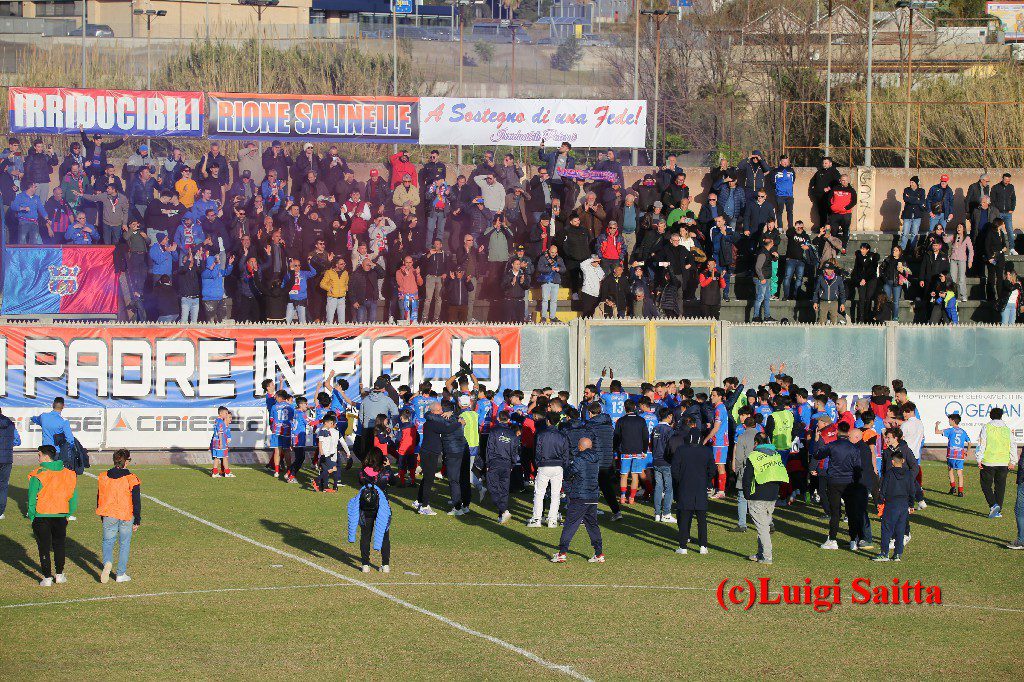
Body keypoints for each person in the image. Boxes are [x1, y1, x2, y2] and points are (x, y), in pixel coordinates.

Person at [28, 444, 78, 586]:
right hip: (60, 514)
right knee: (59, 545)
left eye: (39, 455)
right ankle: (60, 575)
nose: (38, 458)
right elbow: (73, 497)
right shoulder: (68, 473)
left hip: (41, 515)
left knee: (43, 546)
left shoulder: (37, 474)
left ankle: (47, 578)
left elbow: (31, 497)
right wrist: (68, 513)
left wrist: (32, 515)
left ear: (46, 456)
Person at [551, 437, 604, 564]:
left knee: (570, 524)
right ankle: (599, 553)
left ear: (580, 447)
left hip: (580, 497)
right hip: (593, 496)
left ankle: (562, 553)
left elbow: (568, 473)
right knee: (592, 525)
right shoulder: (596, 459)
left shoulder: (579, 459)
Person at [818, 421, 868, 551]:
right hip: (849, 482)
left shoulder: (832, 445)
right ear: (848, 432)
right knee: (851, 512)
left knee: (835, 513)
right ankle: (853, 540)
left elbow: (818, 454)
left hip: (834, 481)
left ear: (838, 431)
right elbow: (858, 468)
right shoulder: (854, 448)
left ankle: (833, 539)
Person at [96, 449, 142, 584]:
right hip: (126, 514)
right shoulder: (131, 478)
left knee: (108, 541)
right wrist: (137, 519)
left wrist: (101, 514)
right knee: (124, 543)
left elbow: (99, 496)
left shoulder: (103, 476)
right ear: (126, 461)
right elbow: (136, 501)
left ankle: (107, 563)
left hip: (109, 513)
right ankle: (121, 574)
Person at [743, 433, 788, 564]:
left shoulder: (754, 456)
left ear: (756, 443)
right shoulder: (775, 455)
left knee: (762, 528)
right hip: (773, 495)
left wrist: (746, 494)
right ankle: (760, 553)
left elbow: (747, 477)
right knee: (763, 525)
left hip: (758, 495)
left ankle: (767, 556)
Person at [671, 423, 715, 555]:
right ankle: (703, 546)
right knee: (702, 519)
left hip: (685, 486)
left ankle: (683, 546)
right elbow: (712, 470)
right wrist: (707, 481)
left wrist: (680, 481)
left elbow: (675, 469)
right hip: (700, 487)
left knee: (684, 518)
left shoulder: (681, 450)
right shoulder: (706, 451)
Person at [347, 449, 393, 573]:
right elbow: (393, 480)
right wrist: (388, 467)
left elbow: (361, 480)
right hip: (382, 509)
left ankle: (365, 565)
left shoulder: (362, 472)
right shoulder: (385, 473)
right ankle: (385, 564)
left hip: (366, 508)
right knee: (384, 535)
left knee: (365, 536)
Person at [976, 407, 1020, 519]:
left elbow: (982, 444)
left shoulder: (987, 427)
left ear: (990, 416)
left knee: (985, 485)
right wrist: (1013, 461)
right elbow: (1013, 445)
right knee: (1000, 487)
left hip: (989, 461)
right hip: (1003, 462)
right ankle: (998, 511)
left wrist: (979, 458)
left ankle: (993, 505)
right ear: (1001, 416)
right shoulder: (1006, 429)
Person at [872, 450, 915, 562]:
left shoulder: (889, 474)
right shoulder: (908, 474)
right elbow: (912, 490)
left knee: (886, 529)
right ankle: (897, 554)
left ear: (892, 462)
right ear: (903, 461)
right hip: (904, 504)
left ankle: (884, 553)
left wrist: (880, 501)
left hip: (891, 504)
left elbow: (883, 489)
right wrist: (911, 504)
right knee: (900, 530)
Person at [529, 413, 570, 528]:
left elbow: (537, 451)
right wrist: (564, 466)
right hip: (557, 466)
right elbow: (566, 453)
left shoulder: (541, 434)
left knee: (539, 493)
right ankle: (552, 520)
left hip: (544, 465)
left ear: (547, 421)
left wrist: (538, 464)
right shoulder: (562, 435)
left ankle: (537, 519)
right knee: (555, 494)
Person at [485, 411, 520, 524]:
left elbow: (489, 448)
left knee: (492, 488)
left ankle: (503, 511)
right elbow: (515, 451)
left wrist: (488, 463)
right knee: (503, 490)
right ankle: (501, 514)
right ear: (508, 420)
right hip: (506, 464)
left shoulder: (494, 431)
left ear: (499, 419)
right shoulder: (512, 434)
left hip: (495, 462)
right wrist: (512, 464)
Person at [703, 388, 730, 498]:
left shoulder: (719, 409)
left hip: (719, 442)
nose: (711, 397)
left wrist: (706, 438)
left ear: (720, 397)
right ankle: (714, 488)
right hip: (718, 441)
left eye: (713, 395)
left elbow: (717, 428)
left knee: (720, 466)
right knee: (715, 465)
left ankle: (721, 491)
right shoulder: (720, 408)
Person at [936, 413, 970, 497]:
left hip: (951, 454)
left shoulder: (950, 430)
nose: (949, 421)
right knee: (959, 473)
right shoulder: (963, 431)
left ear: (953, 421)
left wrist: (936, 425)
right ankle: (960, 491)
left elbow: (936, 432)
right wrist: (967, 451)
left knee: (950, 469)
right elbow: (969, 442)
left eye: (950, 420)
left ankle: (953, 487)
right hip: (960, 455)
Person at [0, 407, 21, 520]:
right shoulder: (10, 423)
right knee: (3, 486)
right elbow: (17, 441)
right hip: (6, 459)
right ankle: (0, 512)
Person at [313, 413, 341, 493]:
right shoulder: (322, 431)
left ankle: (325, 487)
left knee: (327, 470)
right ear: (326, 423)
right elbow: (320, 443)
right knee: (332, 468)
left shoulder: (327, 431)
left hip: (328, 454)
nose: (332, 425)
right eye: (331, 423)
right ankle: (317, 480)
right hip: (325, 454)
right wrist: (322, 454)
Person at [900, 176, 927, 251]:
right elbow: (906, 199)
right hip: (907, 214)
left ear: (916, 183)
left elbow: (922, 201)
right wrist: (916, 199)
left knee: (914, 234)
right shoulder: (906, 190)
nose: (911, 184)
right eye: (910, 182)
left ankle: (912, 250)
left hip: (917, 215)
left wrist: (911, 198)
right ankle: (902, 249)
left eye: (912, 182)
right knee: (905, 233)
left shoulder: (921, 191)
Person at [210, 406, 235, 478]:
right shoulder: (220, 422)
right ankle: (226, 472)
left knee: (219, 457)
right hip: (220, 442)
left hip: (216, 441)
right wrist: (221, 443)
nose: (227, 415)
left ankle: (216, 472)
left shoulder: (217, 420)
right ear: (220, 413)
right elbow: (220, 432)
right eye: (226, 413)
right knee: (223, 457)